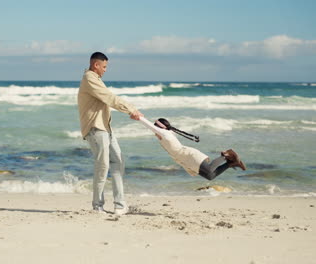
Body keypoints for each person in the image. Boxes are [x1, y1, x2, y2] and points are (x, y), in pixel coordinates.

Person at [78, 52, 143, 215]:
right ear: (96, 65)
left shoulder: (97, 79)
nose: (106, 70)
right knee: (103, 165)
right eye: (104, 66)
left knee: (118, 161)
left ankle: (120, 205)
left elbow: (107, 99)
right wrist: (131, 109)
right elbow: (109, 97)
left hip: (106, 129)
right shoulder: (89, 78)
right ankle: (97, 205)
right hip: (95, 128)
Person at [139, 117, 246, 181]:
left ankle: (226, 155)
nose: (155, 133)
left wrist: (138, 117)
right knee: (210, 176)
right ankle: (230, 163)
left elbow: (149, 125)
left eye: (156, 130)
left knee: (209, 169)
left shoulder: (164, 133)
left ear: (159, 128)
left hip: (189, 155)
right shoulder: (167, 133)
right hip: (185, 160)